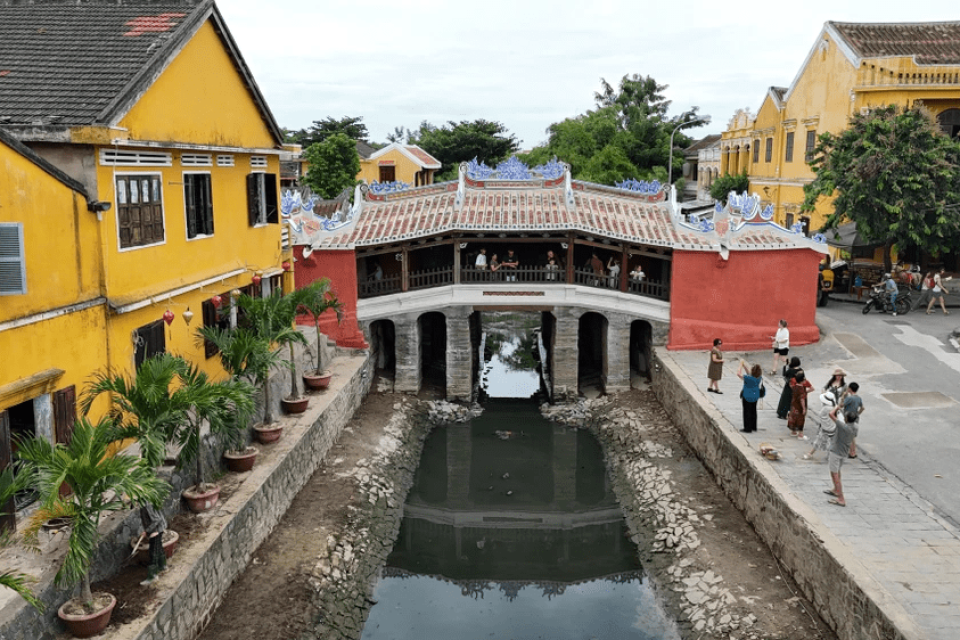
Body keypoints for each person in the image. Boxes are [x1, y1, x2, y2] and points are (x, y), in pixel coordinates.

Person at [825, 405, 860, 507]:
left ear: (846, 419)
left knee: (835, 474)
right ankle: (836, 490)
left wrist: (837, 407)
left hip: (835, 452)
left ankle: (841, 498)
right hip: (844, 453)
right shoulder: (855, 427)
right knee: (836, 471)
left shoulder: (843, 426)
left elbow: (831, 414)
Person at [804, 390, 838, 460]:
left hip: (825, 428)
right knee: (831, 443)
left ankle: (810, 454)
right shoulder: (834, 407)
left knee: (818, 441)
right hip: (833, 428)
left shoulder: (825, 409)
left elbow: (821, 416)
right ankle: (830, 456)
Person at [139, 502, 167, 585]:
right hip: (158, 528)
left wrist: (147, 531)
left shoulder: (147, 504)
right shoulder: (147, 499)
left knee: (153, 552)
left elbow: (156, 519)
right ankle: (163, 566)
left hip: (156, 529)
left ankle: (153, 576)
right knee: (158, 547)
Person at [736, 360, 763, 433]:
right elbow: (749, 372)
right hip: (755, 396)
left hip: (747, 396)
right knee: (753, 411)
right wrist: (744, 365)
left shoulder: (748, 378)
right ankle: (753, 426)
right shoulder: (759, 378)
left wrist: (740, 365)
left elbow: (738, 374)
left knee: (747, 411)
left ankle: (747, 428)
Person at [840, 382, 864, 458]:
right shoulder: (858, 398)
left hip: (848, 417)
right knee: (852, 435)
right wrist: (857, 414)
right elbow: (862, 408)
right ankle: (853, 451)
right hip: (855, 418)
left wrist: (843, 397)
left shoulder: (849, 398)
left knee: (849, 435)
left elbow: (841, 405)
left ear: (850, 389)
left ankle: (851, 452)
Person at [787, 371, 813, 438]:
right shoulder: (802, 389)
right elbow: (802, 400)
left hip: (794, 404)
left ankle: (793, 431)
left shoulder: (794, 386)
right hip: (799, 406)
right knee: (800, 418)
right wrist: (804, 408)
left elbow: (790, 386)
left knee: (793, 417)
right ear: (803, 380)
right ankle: (800, 434)